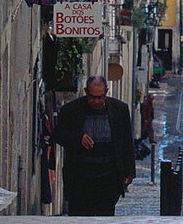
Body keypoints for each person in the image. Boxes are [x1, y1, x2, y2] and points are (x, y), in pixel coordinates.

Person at [52, 75, 135, 216]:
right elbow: (58, 135)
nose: (96, 101)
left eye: (100, 97)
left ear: (106, 92)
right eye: (92, 97)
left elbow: (126, 141)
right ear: (85, 92)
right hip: (80, 180)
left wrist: (129, 172)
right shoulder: (71, 110)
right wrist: (78, 138)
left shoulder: (119, 109)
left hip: (108, 179)